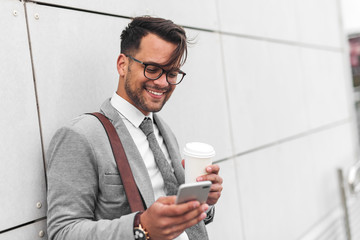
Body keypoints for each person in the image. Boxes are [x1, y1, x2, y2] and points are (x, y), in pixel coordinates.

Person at [47, 16, 223, 240]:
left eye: (171, 73)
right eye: (152, 69)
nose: (162, 82)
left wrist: (203, 205)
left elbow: (174, 215)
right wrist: (141, 227)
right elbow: (62, 232)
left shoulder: (164, 131)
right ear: (123, 64)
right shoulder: (81, 135)